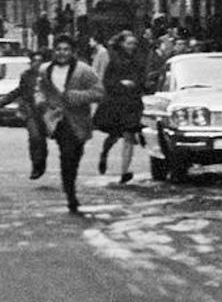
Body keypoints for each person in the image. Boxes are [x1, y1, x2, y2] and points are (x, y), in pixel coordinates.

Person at [34, 35, 105, 212]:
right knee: (66, 154)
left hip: (78, 121)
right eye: (58, 49)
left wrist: (78, 96)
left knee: (74, 155)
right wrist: (41, 101)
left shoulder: (84, 70)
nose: (62, 53)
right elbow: (40, 90)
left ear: (72, 52)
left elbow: (99, 92)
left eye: (66, 50)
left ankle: (70, 183)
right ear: (53, 51)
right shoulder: (45, 70)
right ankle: (70, 192)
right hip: (57, 121)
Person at [95, 31, 148, 183]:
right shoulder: (113, 59)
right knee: (114, 135)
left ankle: (124, 171)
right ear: (121, 44)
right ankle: (104, 154)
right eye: (129, 43)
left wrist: (140, 85)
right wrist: (121, 84)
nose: (132, 47)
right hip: (116, 102)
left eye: (134, 44)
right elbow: (107, 81)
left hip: (132, 102)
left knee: (129, 135)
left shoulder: (138, 59)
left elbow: (142, 79)